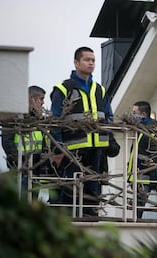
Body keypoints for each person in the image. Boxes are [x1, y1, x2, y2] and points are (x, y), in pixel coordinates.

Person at [50, 46, 113, 217]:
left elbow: (108, 116)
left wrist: (110, 140)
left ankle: (91, 220)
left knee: (93, 187)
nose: (91, 63)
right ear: (76, 63)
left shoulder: (100, 89)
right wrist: (58, 148)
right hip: (72, 148)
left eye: (93, 60)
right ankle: (67, 222)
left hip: (97, 147)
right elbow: (55, 120)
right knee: (71, 187)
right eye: (87, 60)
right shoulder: (63, 89)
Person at [1, 85, 51, 201]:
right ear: (30, 98)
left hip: (36, 166)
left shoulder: (38, 119)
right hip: (20, 166)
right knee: (21, 200)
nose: (43, 103)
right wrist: (18, 161)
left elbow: (43, 142)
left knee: (32, 201)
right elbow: (7, 142)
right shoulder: (14, 117)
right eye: (41, 99)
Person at [127, 101, 157, 219]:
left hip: (145, 177)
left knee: (141, 211)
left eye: (134, 112)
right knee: (138, 210)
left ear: (143, 114)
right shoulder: (142, 129)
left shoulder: (153, 129)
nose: (132, 115)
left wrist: (153, 177)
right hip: (138, 176)